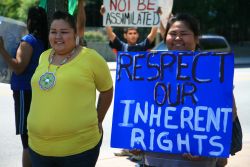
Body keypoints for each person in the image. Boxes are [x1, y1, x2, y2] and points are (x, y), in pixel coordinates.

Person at [143, 13, 237, 167]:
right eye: (172, 34)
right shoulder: (150, 68)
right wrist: (134, 142)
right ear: (165, 37)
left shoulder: (212, 69)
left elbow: (229, 113)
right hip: (155, 159)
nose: (178, 38)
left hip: (198, 160)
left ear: (196, 38)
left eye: (184, 34)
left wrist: (208, 148)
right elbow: (139, 109)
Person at [27, 10, 113, 167]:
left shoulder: (91, 57)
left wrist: (98, 119)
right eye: (53, 32)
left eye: (64, 32)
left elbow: (107, 90)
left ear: (75, 34)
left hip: (78, 150)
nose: (58, 37)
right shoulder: (44, 56)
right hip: (38, 148)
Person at [0, 6, 48, 167]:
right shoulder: (43, 41)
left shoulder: (28, 41)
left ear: (29, 21)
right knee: (33, 137)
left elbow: (19, 67)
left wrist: (2, 50)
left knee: (26, 139)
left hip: (23, 91)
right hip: (35, 91)